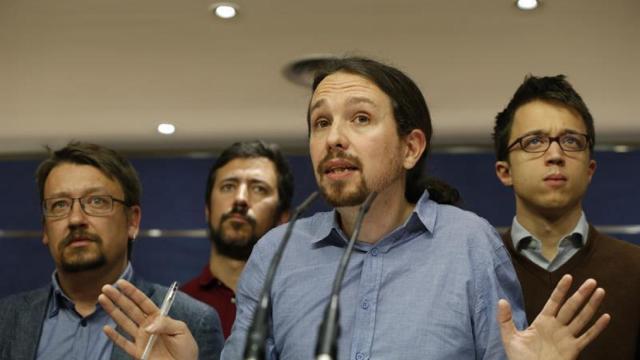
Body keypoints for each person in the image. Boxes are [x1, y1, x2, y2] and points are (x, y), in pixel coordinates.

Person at [98, 57, 609, 360]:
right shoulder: (278, 251)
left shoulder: (469, 243)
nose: (334, 139)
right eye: (321, 123)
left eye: (360, 118)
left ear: (410, 148)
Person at [0, 142, 224, 360]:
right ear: (45, 228)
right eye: (59, 204)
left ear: (132, 221)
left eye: (97, 201)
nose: (76, 219)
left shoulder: (190, 321)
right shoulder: (6, 319)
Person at [493, 74, 640, 359]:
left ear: (590, 169)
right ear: (505, 171)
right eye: (534, 141)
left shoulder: (636, 270)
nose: (556, 154)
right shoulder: (476, 272)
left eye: (571, 141)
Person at [181, 140, 294, 338]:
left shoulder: (300, 305)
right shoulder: (177, 308)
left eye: (258, 188)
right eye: (228, 187)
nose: (240, 199)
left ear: (283, 218)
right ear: (207, 209)